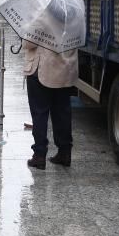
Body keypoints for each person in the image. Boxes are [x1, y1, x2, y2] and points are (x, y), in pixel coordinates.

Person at [23, 40, 78, 169]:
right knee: (62, 112)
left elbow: (28, 43)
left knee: (40, 113)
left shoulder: (42, 19)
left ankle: (39, 155)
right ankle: (64, 152)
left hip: (43, 70)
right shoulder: (74, 19)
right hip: (64, 70)